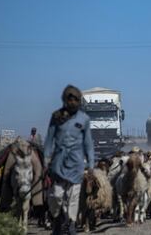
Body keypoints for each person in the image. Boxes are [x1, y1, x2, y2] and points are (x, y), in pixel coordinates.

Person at [44, 85, 94, 235]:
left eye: (75, 99)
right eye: (69, 99)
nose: (72, 102)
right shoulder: (56, 116)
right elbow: (49, 141)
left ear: (79, 101)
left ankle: (71, 225)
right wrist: (46, 160)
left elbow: (88, 143)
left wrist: (91, 164)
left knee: (73, 199)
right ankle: (58, 218)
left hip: (76, 165)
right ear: (64, 100)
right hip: (58, 164)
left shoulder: (84, 119)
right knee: (56, 197)